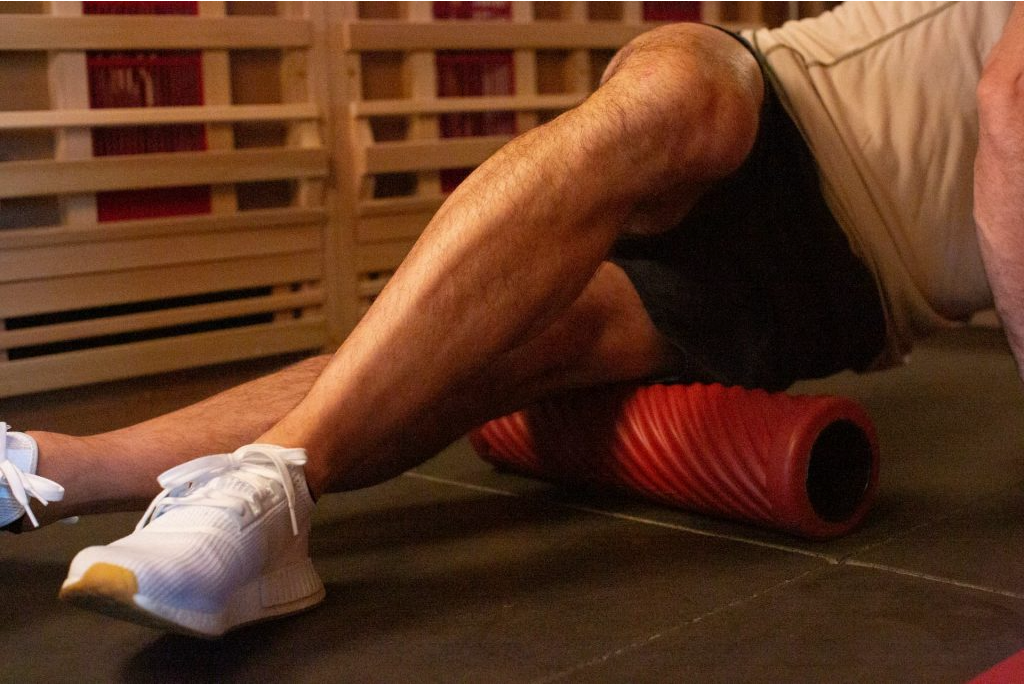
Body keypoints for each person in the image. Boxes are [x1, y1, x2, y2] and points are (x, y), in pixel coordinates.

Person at [2, 1, 1022, 637]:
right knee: (676, 100)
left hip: (840, 294)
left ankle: (48, 472)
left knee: (525, 344)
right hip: (789, 107)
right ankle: (268, 488)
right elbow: (1010, 108)